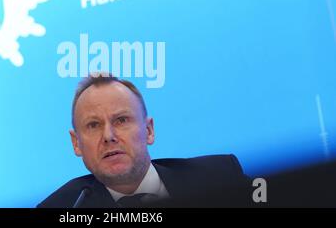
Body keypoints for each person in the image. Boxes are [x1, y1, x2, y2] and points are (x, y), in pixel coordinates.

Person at [37, 73, 252, 208]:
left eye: (121, 120)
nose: (108, 136)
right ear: (76, 143)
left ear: (148, 130)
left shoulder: (220, 178)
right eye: (93, 125)